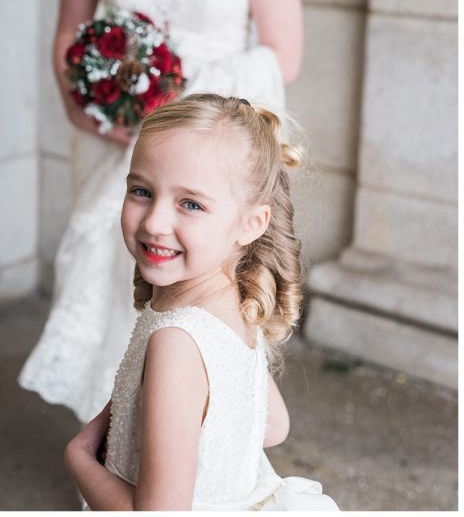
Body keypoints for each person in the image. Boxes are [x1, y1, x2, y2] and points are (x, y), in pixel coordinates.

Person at [19, 0, 303, 422]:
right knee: (114, 273)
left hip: (212, 147)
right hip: (117, 136)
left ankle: (193, 437)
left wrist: (184, 110)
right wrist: (90, 109)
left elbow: (282, 54)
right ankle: (115, 438)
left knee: (202, 286)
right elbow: (69, 34)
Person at [64, 94, 337, 510]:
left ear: (251, 224)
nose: (155, 222)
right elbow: (273, 426)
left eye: (190, 204)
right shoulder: (237, 305)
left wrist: (79, 458)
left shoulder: (177, 341)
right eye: (141, 190)